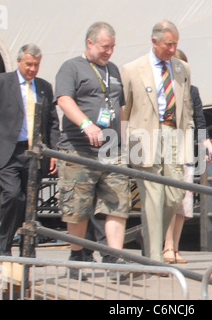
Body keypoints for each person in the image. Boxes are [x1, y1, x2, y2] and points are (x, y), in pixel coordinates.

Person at [55, 22, 130, 279]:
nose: (109, 52)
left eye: (112, 47)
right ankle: (78, 255)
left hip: (111, 148)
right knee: (78, 205)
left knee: (117, 202)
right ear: (89, 43)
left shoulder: (113, 70)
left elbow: (119, 107)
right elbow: (64, 99)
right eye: (104, 46)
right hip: (79, 148)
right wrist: (86, 123)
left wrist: (126, 140)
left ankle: (114, 257)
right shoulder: (71, 67)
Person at [0, 43, 59, 256]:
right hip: (8, 150)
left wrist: (55, 152)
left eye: (36, 65)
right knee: (13, 196)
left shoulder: (44, 87)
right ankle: (5, 246)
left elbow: (52, 122)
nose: (32, 69)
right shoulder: (0, 82)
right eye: (28, 64)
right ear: (19, 62)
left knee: (30, 201)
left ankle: (26, 250)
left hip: (35, 153)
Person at [121, 20, 194, 262]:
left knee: (174, 196)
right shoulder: (132, 69)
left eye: (176, 44)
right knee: (152, 197)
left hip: (174, 132)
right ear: (154, 42)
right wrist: (124, 145)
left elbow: (187, 107)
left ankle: (149, 233)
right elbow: (125, 110)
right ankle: (154, 257)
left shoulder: (182, 68)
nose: (173, 49)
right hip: (143, 135)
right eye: (168, 44)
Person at [163, 49, 212, 264]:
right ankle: (166, 246)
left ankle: (175, 247)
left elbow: (200, 121)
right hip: (166, 149)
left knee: (183, 203)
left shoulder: (192, 91)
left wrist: (206, 143)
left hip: (185, 149)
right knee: (169, 200)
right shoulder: (163, 92)